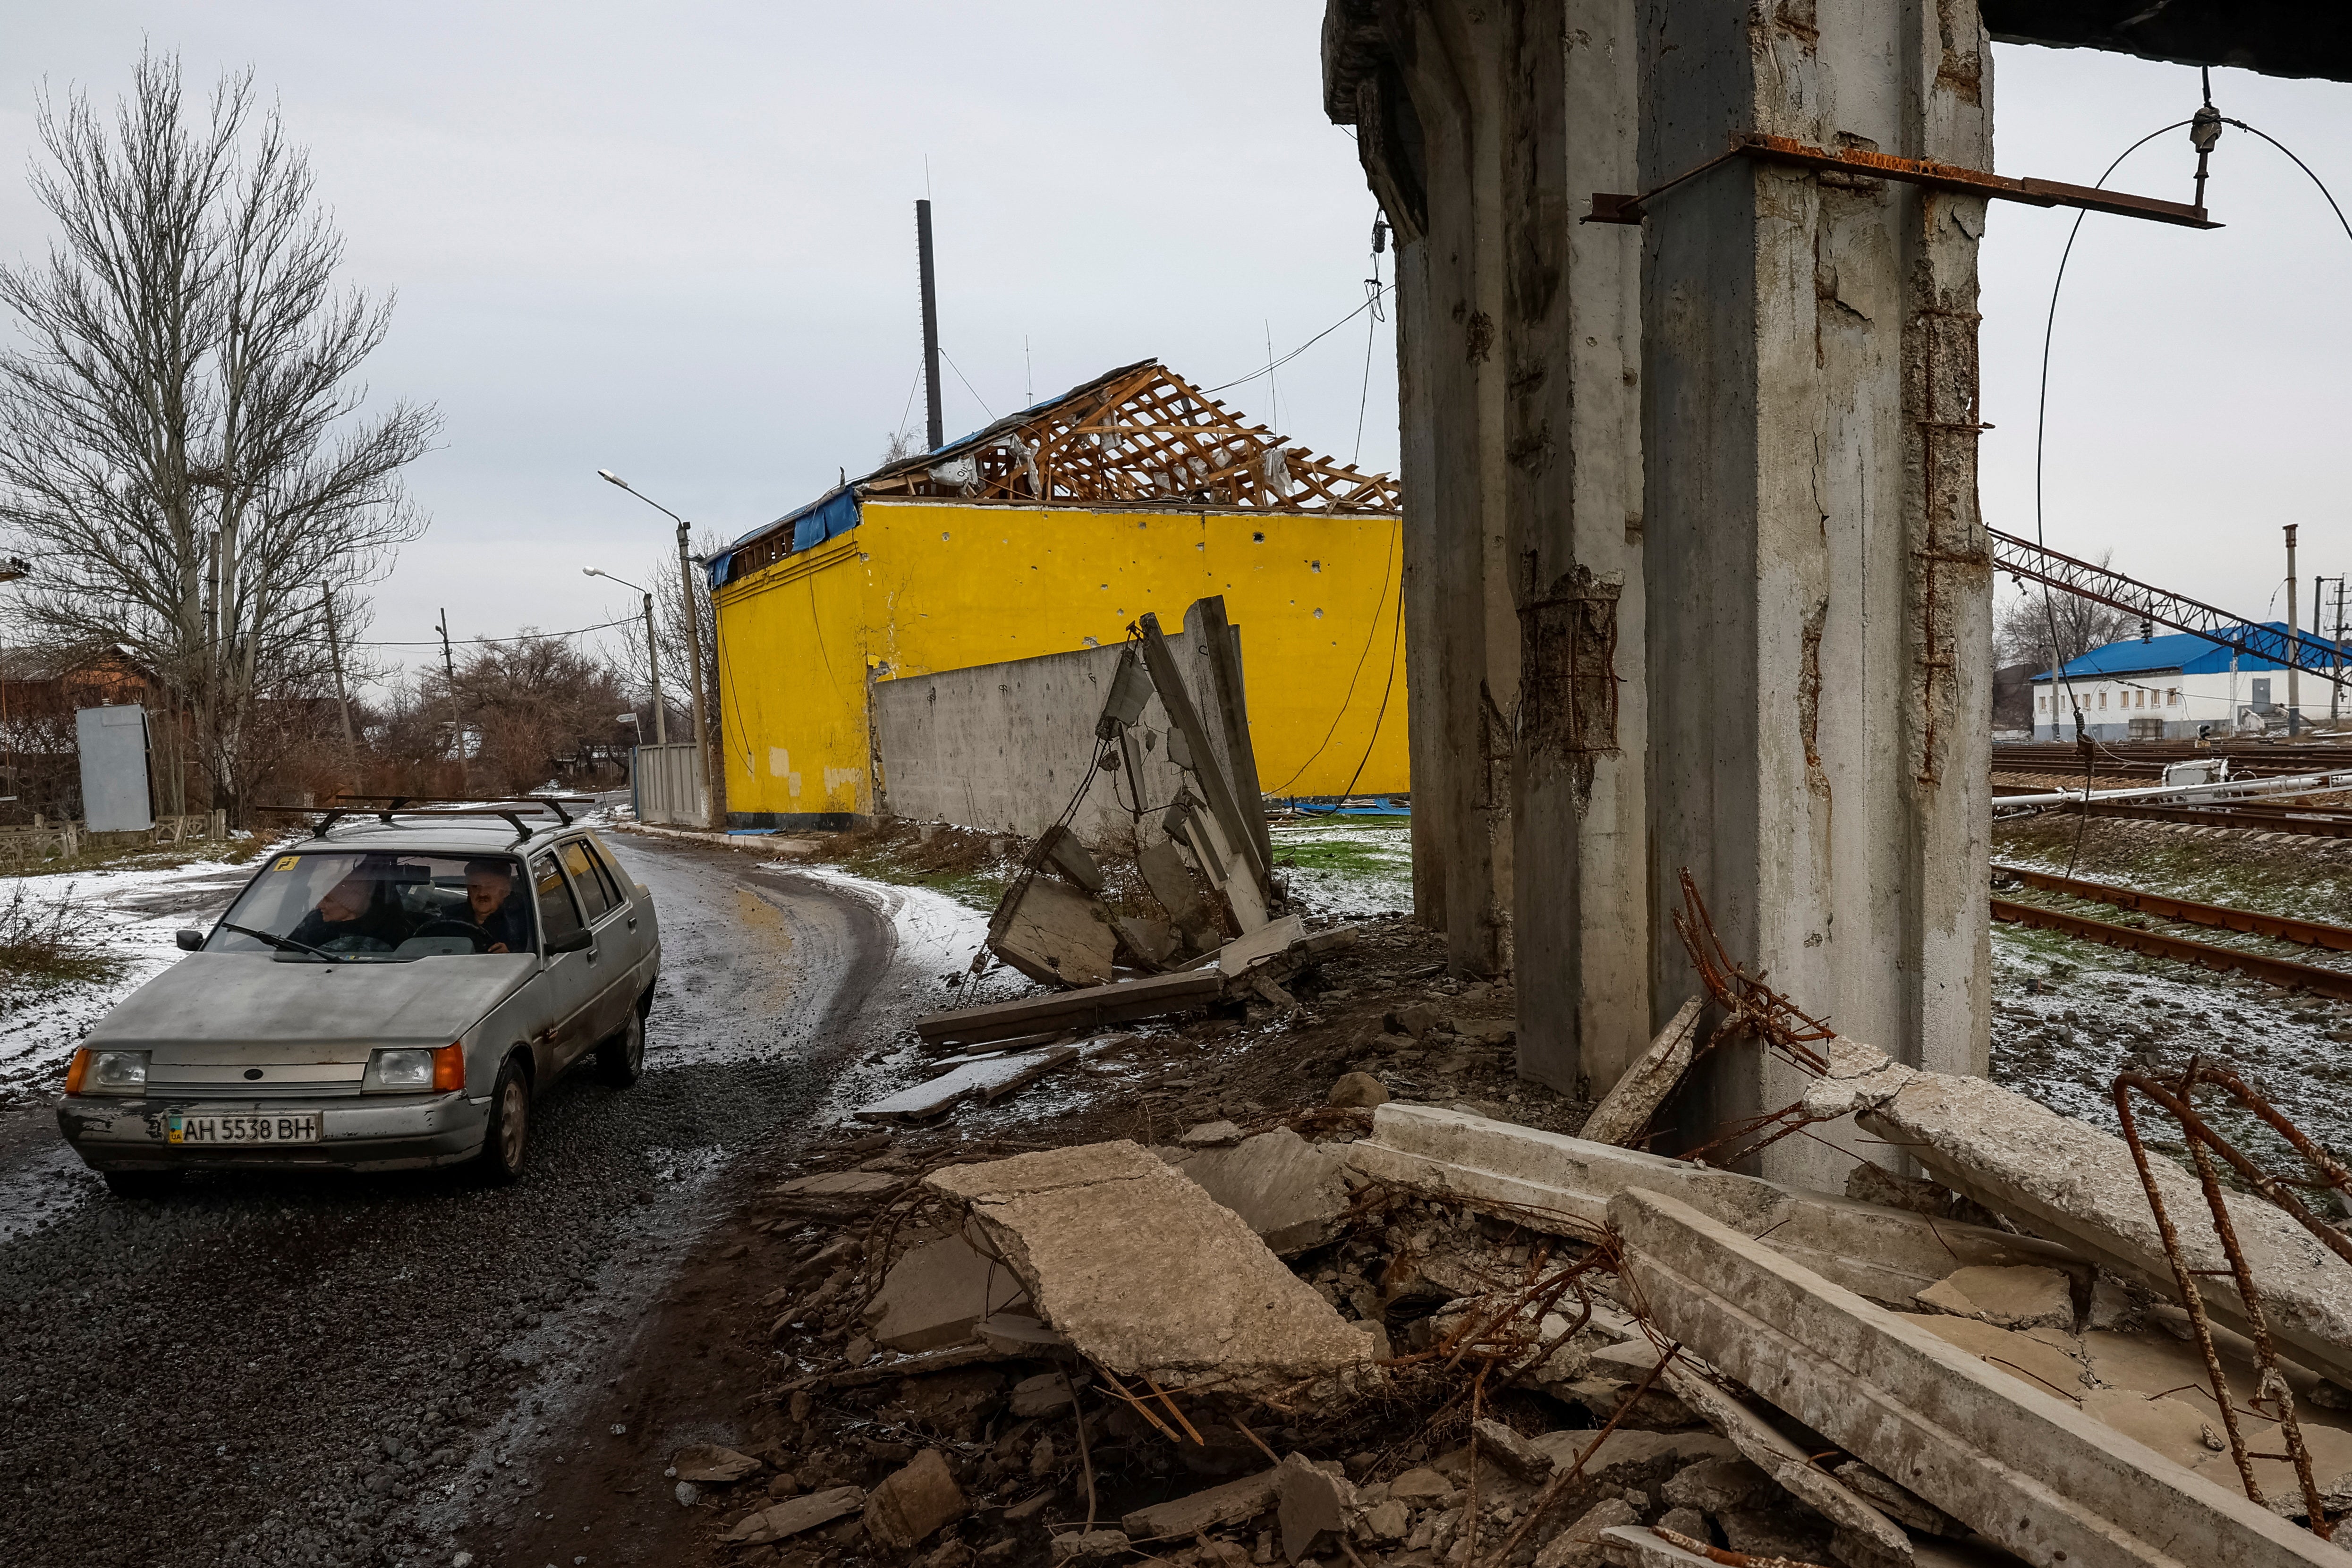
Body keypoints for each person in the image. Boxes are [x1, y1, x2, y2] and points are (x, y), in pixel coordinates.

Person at [288, 866, 413, 954]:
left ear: (351, 905)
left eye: (329, 900)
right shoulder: (311, 925)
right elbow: (285, 948)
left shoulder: (387, 932)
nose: (319, 905)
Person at [464, 859, 533, 953]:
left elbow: (530, 958)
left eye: (490, 886)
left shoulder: (524, 921)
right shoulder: (447, 917)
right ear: (468, 890)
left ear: (506, 890)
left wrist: (508, 954)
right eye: (475, 886)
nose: (482, 893)